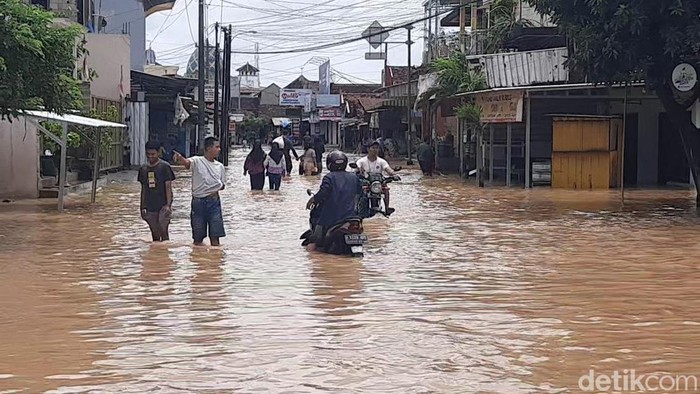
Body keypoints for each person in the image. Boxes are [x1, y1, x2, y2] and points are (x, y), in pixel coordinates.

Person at [172, 137, 226, 246]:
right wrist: (180, 158)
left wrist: (213, 187)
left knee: (215, 236)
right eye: (217, 147)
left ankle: (215, 260)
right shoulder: (197, 160)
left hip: (214, 202)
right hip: (198, 202)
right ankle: (199, 260)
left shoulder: (220, 166)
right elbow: (187, 163)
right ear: (208, 148)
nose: (219, 149)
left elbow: (223, 185)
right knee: (198, 237)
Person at [305, 151, 362, 251]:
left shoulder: (329, 177)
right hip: (353, 218)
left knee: (313, 243)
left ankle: (311, 263)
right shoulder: (354, 177)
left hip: (332, 219)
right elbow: (361, 195)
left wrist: (312, 200)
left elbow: (323, 193)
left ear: (329, 164)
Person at [138, 141, 176, 242]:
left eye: (153, 154)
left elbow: (168, 187)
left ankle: (164, 253)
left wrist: (168, 205)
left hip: (163, 204)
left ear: (159, 153)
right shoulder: (143, 169)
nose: (150, 157)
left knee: (163, 230)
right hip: (150, 205)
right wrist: (142, 207)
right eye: (148, 154)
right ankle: (156, 254)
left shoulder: (165, 167)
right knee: (154, 233)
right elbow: (143, 189)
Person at [355, 139, 398, 216]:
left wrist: (393, 174)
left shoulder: (381, 161)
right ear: (368, 149)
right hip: (366, 182)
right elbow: (357, 167)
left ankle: (387, 207)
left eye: (377, 148)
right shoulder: (362, 161)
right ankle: (355, 207)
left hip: (378, 183)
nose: (375, 150)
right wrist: (358, 170)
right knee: (359, 190)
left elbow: (388, 169)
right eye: (373, 148)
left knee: (386, 188)